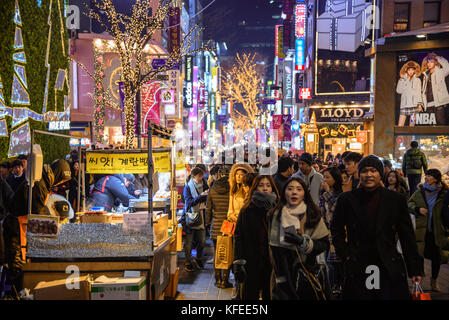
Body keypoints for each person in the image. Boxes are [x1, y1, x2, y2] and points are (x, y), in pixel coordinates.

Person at [331, 155, 423, 300]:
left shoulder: (396, 200)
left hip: (388, 262)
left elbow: (407, 235)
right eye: (365, 171)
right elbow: (336, 229)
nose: (369, 175)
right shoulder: (346, 199)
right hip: (358, 261)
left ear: (381, 174)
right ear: (359, 174)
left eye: (373, 171)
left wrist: (415, 268)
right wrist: (345, 253)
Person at [268, 177, 330, 300]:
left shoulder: (312, 214)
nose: (294, 192)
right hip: (281, 272)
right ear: (284, 193)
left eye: (298, 189)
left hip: (307, 272)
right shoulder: (275, 214)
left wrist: (303, 242)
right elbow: (272, 248)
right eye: (290, 189)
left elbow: (323, 244)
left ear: (304, 193)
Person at [234, 175, 279, 300]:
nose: (265, 189)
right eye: (261, 185)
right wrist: (238, 261)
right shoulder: (247, 209)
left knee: (269, 294)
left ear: (273, 188)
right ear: (255, 188)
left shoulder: (277, 209)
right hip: (251, 260)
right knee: (250, 295)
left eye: (268, 185)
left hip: (271, 262)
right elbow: (238, 236)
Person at [408, 169, 449, 292]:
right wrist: (417, 209)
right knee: (419, 254)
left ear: (436, 179)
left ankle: (434, 281)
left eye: (429, 176)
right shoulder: (419, 192)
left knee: (437, 256)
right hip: (422, 230)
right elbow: (409, 203)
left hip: (437, 230)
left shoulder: (444, 193)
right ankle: (419, 278)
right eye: (425, 176)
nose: (426, 178)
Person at [319, 167, 344, 296]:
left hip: (337, 233)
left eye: (327, 177)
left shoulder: (341, 195)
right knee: (329, 262)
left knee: (333, 262)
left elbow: (335, 210)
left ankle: (335, 289)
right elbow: (322, 213)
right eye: (323, 177)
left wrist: (328, 191)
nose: (324, 180)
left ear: (335, 179)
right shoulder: (323, 195)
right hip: (325, 233)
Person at [205, 167, 232, 288]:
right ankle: (225, 280)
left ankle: (218, 280)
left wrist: (207, 223)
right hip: (228, 225)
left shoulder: (212, 189)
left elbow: (208, 209)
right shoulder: (231, 189)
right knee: (227, 252)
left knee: (217, 253)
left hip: (215, 225)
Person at [181, 167, 209, 272]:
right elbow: (188, 203)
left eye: (202, 176)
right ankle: (188, 261)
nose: (201, 178)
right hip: (190, 217)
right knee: (188, 243)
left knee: (202, 241)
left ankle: (198, 258)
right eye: (199, 176)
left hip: (202, 216)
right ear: (193, 176)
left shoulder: (204, 184)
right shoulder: (188, 187)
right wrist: (201, 196)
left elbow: (208, 196)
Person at [421, 53, 449, 125]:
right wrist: (422, 104)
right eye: (428, 62)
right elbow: (423, 91)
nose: (429, 64)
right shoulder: (425, 75)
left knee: (442, 125)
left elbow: (447, 67)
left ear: (435, 62)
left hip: (439, 104)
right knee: (431, 128)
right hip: (428, 105)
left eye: (431, 61)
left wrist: (438, 57)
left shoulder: (440, 72)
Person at [396, 61, 423, 127]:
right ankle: (401, 138)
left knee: (412, 126)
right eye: (409, 70)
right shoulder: (402, 79)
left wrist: (419, 104)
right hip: (404, 105)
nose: (411, 71)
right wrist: (402, 79)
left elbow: (419, 93)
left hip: (414, 106)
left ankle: (411, 138)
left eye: (412, 69)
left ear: (414, 70)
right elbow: (398, 91)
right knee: (400, 125)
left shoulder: (417, 80)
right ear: (406, 71)